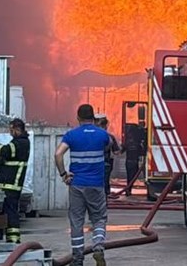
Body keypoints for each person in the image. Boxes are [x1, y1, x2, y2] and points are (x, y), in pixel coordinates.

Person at [55, 104, 111, 266]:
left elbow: (58, 154)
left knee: (77, 221)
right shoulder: (103, 135)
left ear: (78, 118)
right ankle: (98, 247)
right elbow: (110, 147)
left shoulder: (71, 135)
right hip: (96, 185)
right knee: (99, 218)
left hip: (77, 184)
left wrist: (64, 174)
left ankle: (78, 259)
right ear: (93, 118)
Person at [0, 118, 31, 244]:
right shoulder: (18, 141)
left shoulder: (21, 143)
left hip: (12, 185)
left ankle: (14, 240)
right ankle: (7, 238)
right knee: (5, 212)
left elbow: (6, 151)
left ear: (17, 129)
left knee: (11, 212)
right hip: (8, 185)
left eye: (11, 129)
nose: (10, 132)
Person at [95, 114, 121, 197]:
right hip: (106, 163)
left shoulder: (89, 135)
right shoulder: (110, 137)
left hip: (92, 163)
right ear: (105, 125)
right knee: (105, 181)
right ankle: (104, 197)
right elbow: (116, 152)